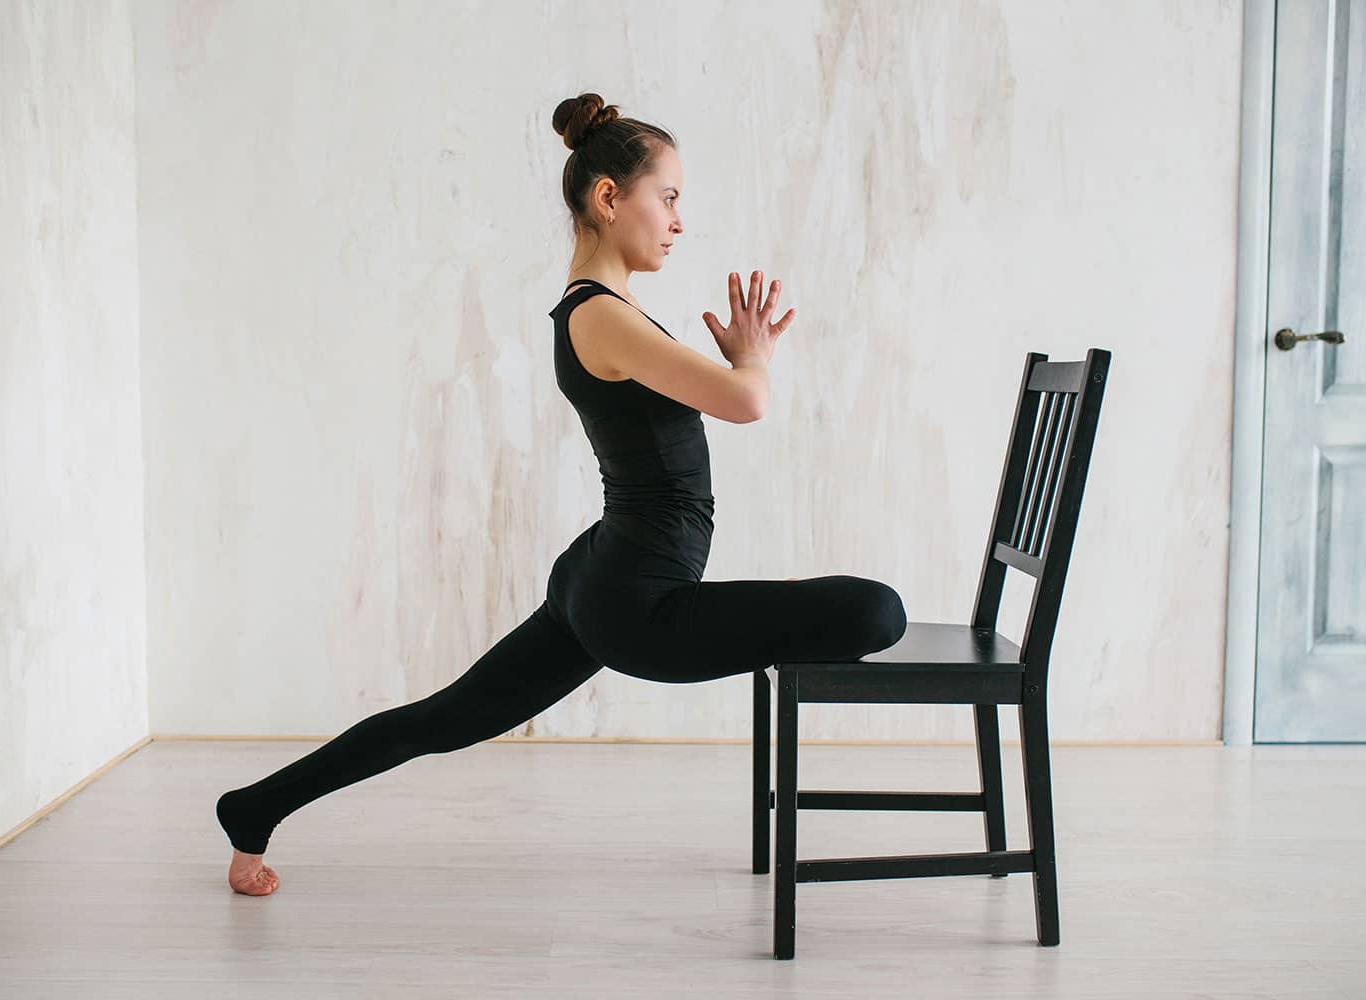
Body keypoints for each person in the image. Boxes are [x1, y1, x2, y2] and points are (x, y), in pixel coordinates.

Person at [216, 92, 907, 896]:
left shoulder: (604, 311)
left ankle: (253, 809)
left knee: (445, 720)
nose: (680, 220)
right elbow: (747, 401)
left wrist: (729, 365)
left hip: (605, 575)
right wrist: (752, 357)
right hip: (634, 607)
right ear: (610, 197)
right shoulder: (602, 317)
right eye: (670, 196)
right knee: (875, 611)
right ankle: (255, 808)